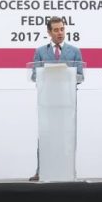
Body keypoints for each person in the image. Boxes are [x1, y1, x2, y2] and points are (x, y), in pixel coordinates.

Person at [29, 16, 84, 180]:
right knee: (45, 137)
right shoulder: (40, 51)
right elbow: (34, 75)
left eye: (62, 29)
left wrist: (65, 74)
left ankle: (69, 170)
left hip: (67, 103)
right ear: (49, 32)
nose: (60, 33)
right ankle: (41, 171)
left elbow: (81, 76)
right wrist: (50, 74)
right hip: (47, 102)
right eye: (56, 30)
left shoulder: (74, 51)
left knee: (68, 136)